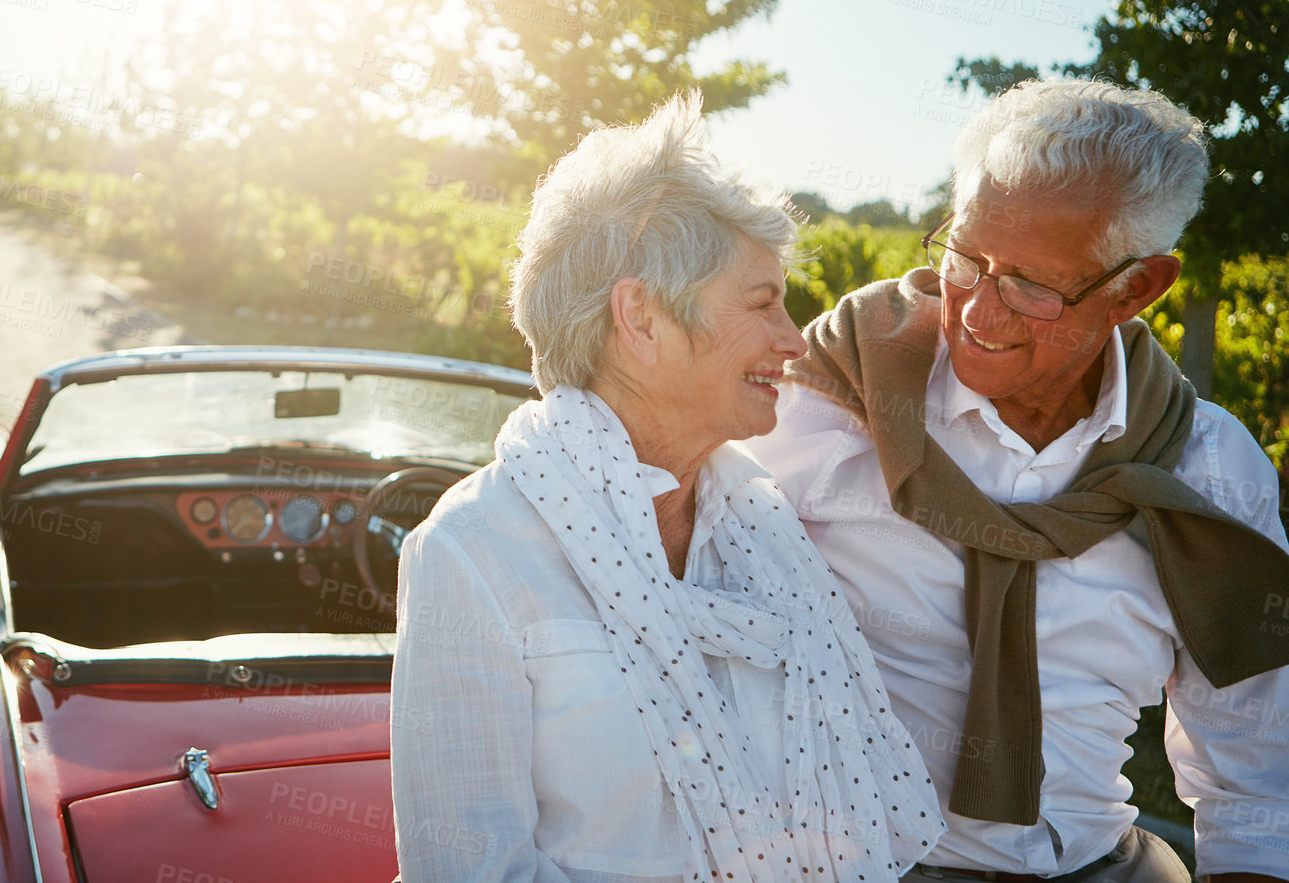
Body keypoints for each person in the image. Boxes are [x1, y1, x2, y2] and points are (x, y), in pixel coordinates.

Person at [743, 79, 1289, 883]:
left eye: (1032, 287)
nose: (979, 315)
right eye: (966, 259)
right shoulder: (832, 399)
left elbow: (1254, 764)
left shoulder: (1210, 470)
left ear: (1136, 287)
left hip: (1100, 866)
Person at [389, 93, 943, 883]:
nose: (793, 341)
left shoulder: (765, 524)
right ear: (641, 319)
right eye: (763, 305)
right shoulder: (474, 551)